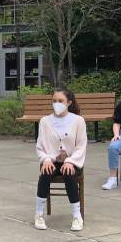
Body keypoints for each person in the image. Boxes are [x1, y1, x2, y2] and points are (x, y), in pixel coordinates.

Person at [34, 88, 88, 231]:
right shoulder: (45, 121)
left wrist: (70, 161)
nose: (56, 103)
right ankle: (39, 213)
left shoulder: (78, 121)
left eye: (60, 101)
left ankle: (77, 216)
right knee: (45, 172)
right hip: (51, 160)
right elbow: (40, 147)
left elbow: (81, 145)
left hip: (72, 161)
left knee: (69, 173)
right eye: (54, 101)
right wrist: (46, 159)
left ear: (69, 102)